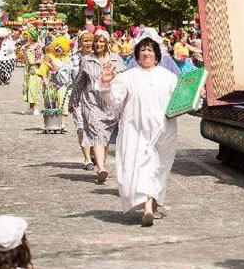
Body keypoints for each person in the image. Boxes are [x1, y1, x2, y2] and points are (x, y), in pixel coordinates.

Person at [99, 37, 179, 227]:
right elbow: (113, 100)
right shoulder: (127, 77)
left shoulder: (168, 77)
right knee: (141, 167)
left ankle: (154, 204)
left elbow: (180, 99)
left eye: (150, 50)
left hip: (163, 132)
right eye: (142, 50)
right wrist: (105, 83)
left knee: (158, 168)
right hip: (135, 130)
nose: (146, 53)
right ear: (137, 55)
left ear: (157, 55)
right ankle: (148, 209)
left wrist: (195, 94)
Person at [69, 29, 127, 184]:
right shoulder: (87, 60)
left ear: (107, 43)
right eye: (96, 41)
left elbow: (126, 81)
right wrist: (73, 102)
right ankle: (101, 168)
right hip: (91, 102)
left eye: (102, 41)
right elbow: (79, 83)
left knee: (105, 136)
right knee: (96, 133)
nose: (98, 44)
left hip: (110, 104)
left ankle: (102, 164)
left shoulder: (116, 60)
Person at [69, 31, 95, 170]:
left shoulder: (98, 57)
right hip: (78, 97)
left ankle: (93, 153)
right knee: (81, 127)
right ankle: (87, 159)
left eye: (90, 40)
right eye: (85, 40)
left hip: (95, 98)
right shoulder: (74, 58)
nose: (88, 43)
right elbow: (72, 77)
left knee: (93, 127)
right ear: (80, 43)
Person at [37, 36, 71, 129]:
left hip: (63, 85)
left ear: (64, 48)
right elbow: (42, 71)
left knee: (63, 103)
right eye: (56, 46)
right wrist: (45, 82)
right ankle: (50, 123)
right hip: (50, 85)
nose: (58, 49)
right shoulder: (49, 57)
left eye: (60, 47)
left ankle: (62, 123)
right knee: (50, 104)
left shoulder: (68, 59)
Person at [21, 29, 44, 115]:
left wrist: (33, 62)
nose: (26, 37)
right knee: (28, 87)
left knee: (35, 87)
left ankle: (36, 108)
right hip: (28, 69)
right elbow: (21, 51)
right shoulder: (27, 46)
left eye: (27, 35)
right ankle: (31, 107)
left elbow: (41, 58)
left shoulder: (38, 46)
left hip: (35, 68)